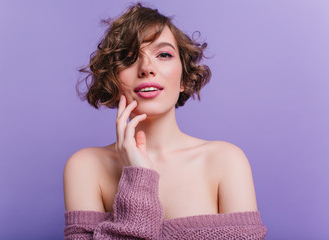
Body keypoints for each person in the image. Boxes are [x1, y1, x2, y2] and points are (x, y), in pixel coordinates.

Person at [63, 2, 267, 239]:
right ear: (113, 81)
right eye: (129, 58)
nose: (146, 68)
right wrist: (138, 176)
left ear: (183, 78)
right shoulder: (86, 167)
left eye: (163, 54)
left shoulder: (226, 160)